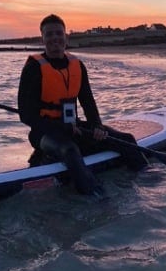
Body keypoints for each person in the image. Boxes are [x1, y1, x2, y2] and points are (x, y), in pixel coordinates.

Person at [17, 14, 148, 198]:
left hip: (74, 128)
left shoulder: (77, 65)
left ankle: (148, 181)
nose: (55, 38)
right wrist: (60, 127)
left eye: (59, 33)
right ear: (43, 39)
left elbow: (88, 101)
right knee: (70, 151)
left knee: (126, 139)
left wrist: (96, 125)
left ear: (66, 37)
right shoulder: (33, 68)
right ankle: (95, 197)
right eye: (49, 34)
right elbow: (26, 115)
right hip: (43, 133)